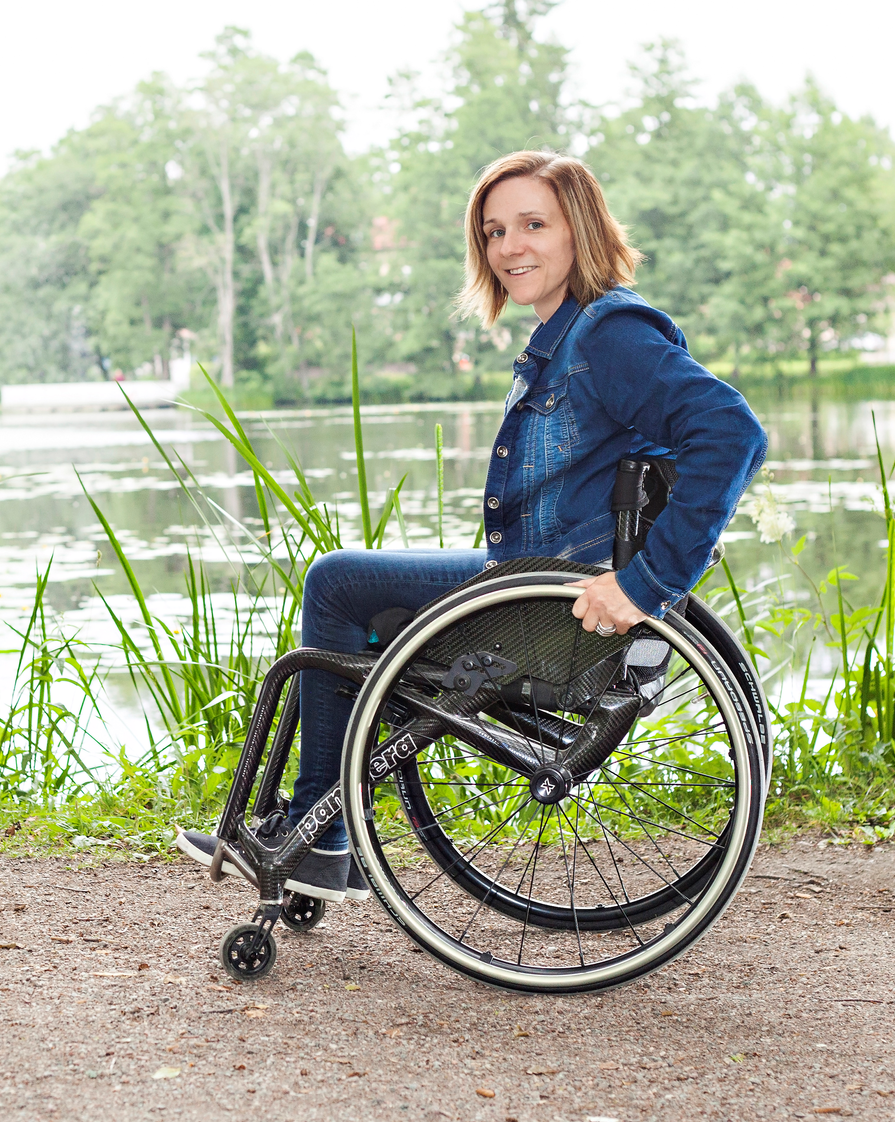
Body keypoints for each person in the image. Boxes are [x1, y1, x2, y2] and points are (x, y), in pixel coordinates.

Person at [176, 149, 768, 902]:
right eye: (493, 232)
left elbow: (731, 431)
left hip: (548, 607)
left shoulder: (606, 336)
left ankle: (319, 838)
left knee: (337, 583)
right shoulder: (570, 334)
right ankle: (311, 831)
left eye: (532, 225)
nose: (508, 247)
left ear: (578, 230)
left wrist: (644, 583)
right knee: (354, 618)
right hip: (536, 588)